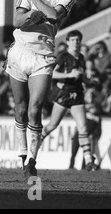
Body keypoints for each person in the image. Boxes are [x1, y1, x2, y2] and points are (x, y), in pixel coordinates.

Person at [8, 0, 79, 177]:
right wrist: (33, 16)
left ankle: (31, 160)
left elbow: (54, 15)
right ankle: (21, 152)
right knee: (20, 108)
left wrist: (34, 1)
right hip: (19, 51)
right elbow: (17, 21)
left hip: (43, 57)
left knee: (35, 108)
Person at [40, 30, 97, 171]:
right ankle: (37, 140)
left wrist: (89, 81)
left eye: (78, 40)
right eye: (73, 40)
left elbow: (80, 77)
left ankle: (89, 160)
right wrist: (69, 74)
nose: (76, 43)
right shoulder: (63, 57)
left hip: (77, 94)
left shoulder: (82, 58)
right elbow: (52, 73)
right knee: (53, 125)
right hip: (64, 94)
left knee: (83, 127)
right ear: (68, 42)